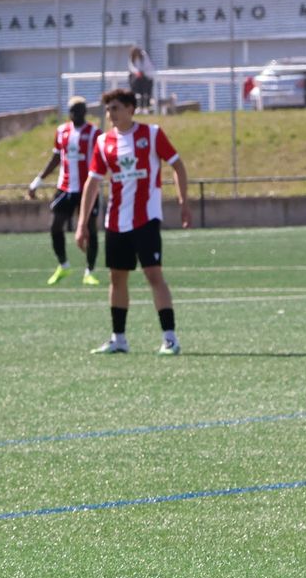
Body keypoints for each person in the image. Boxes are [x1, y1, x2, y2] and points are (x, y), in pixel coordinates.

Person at [75, 88, 190, 355]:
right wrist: (82, 223)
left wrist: (183, 201)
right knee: (117, 278)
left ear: (130, 109)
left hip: (146, 218)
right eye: (107, 109)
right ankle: (118, 339)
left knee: (153, 274)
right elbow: (92, 183)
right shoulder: (103, 142)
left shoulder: (152, 134)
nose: (110, 114)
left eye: (115, 108)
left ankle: (170, 338)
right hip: (116, 221)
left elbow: (178, 165)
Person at [27, 95, 101, 286]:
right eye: (72, 110)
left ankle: (90, 271)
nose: (75, 113)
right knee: (55, 225)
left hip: (87, 189)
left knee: (90, 229)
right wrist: (38, 181)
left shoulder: (94, 133)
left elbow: (103, 158)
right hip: (65, 187)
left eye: (78, 110)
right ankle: (64, 265)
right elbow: (56, 158)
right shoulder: (62, 131)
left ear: (85, 111)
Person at [127, 46, 156, 111]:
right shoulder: (132, 57)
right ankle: (137, 106)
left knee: (146, 93)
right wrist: (137, 72)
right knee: (135, 91)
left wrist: (142, 72)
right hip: (137, 77)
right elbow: (131, 67)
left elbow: (147, 66)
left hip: (146, 77)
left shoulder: (143, 55)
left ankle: (146, 107)